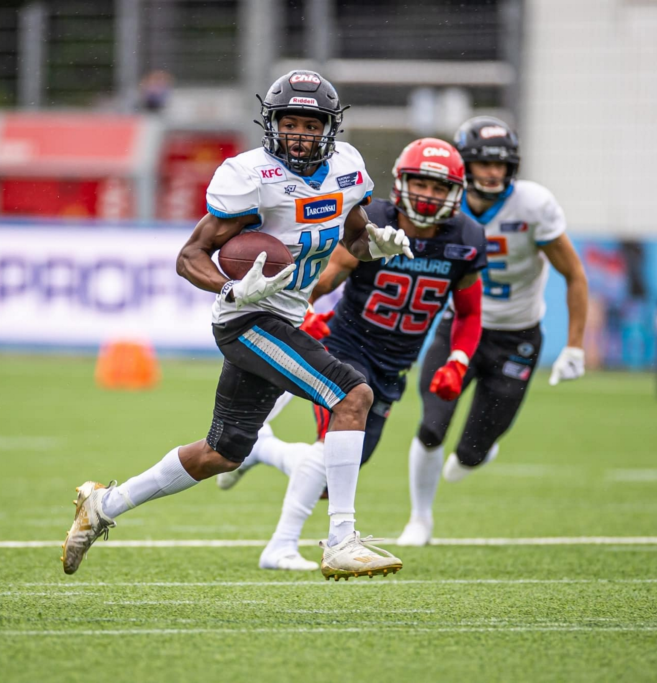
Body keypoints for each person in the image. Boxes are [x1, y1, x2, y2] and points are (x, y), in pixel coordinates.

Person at [61, 70, 413, 580]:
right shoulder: (251, 176)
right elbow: (190, 256)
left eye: (310, 124)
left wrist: (375, 246)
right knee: (352, 395)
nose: (299, 134)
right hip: (246, 319)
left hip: (284, 317)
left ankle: (103, 506)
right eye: (289, 122)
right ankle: (341, 539)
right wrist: (230, 288)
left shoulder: (346, 169)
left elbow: (354, 237)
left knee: (221, 454)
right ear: (271, 124)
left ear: (329, 128)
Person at [218, 138, 488, 571]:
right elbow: (324, 278)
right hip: (347, 347)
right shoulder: (374, 221)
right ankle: (281, 546)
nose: (428, 195)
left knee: (333, 477)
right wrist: (306, 314)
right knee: (329, 448)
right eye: (421, 183)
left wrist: (458, 360)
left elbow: (470, 312)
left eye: (439, 187)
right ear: (401, 183)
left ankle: (260, 451)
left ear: (456, 193)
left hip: (394, 365)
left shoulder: (467, 238)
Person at [395, 116, 589, 547]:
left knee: (469, 455)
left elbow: (574, 274)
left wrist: (575, 345)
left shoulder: (533, 205)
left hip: (516, 336)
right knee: (431, 426)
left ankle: (478, 449)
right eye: (484, 163)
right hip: (459, 326)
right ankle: (419, 519)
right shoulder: (444, 203)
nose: (493, 172)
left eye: (501, 164)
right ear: (464, 165)